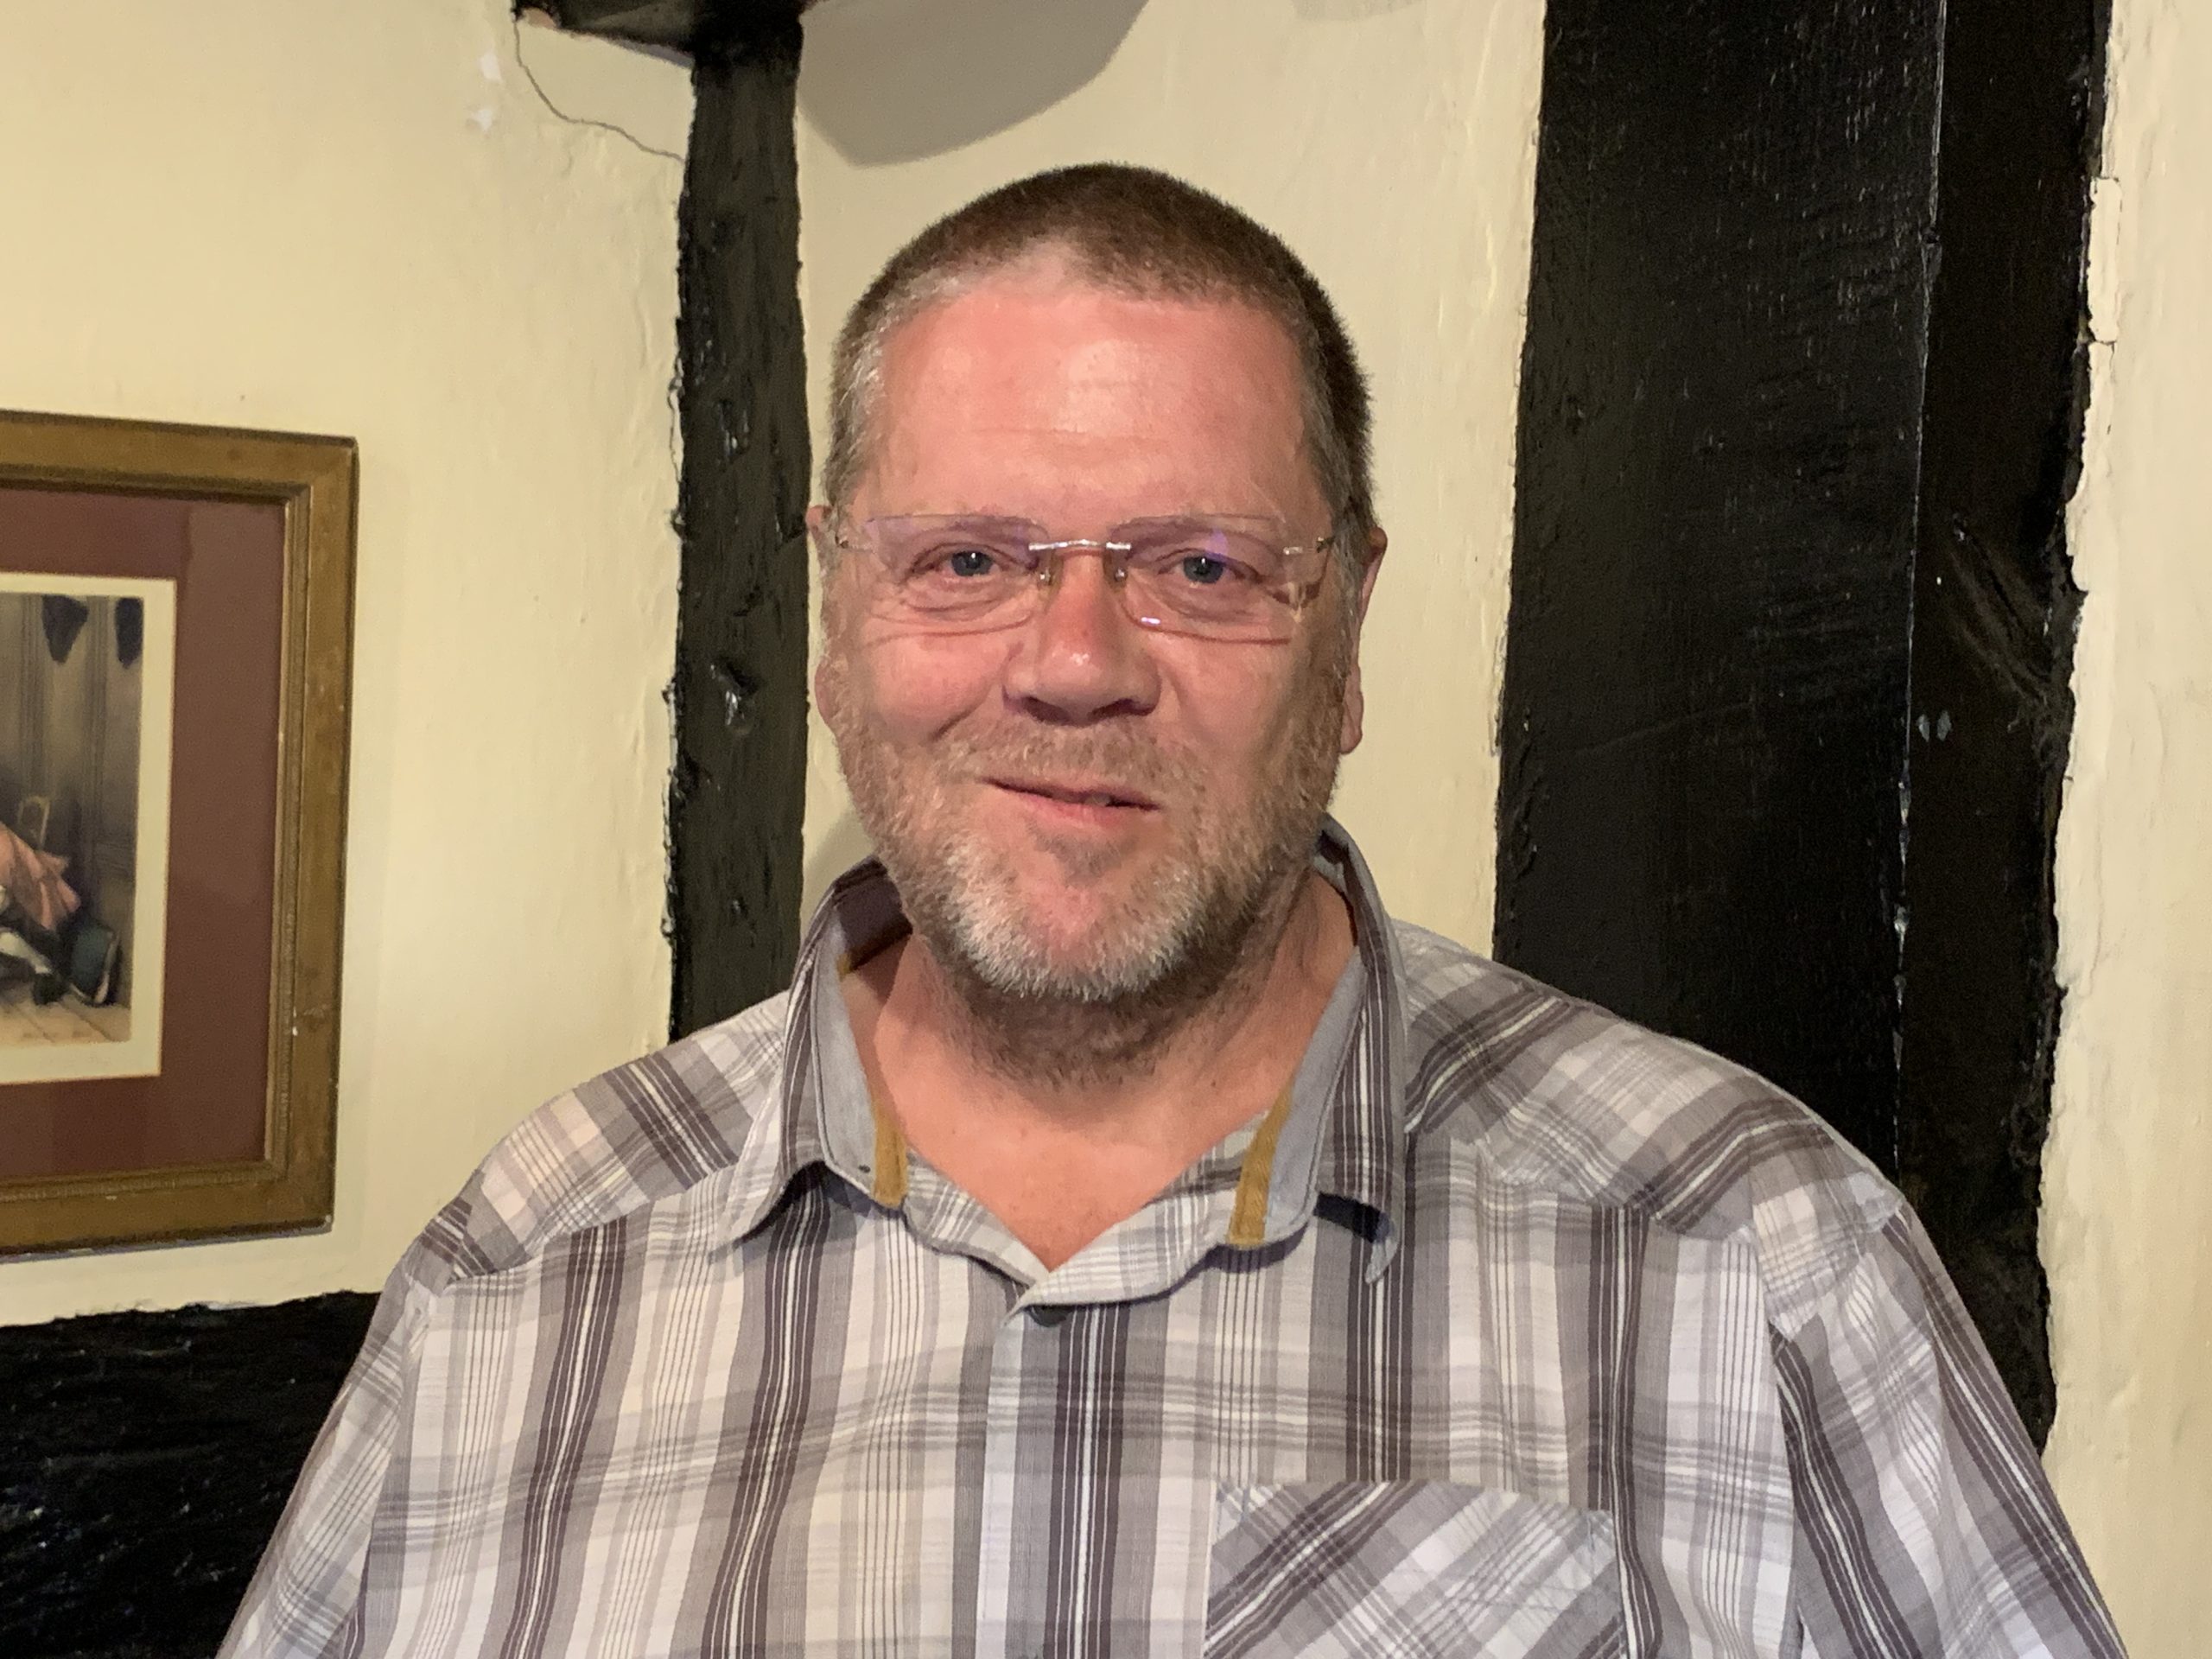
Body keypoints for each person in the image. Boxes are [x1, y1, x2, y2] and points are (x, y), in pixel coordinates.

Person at [223, 164, 2123, 1657]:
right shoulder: (526, 1273)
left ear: (1346, 633)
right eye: (967, 558)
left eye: (1201, 568)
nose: (1074, 665)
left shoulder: (1749, 1258)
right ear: (836, 615)